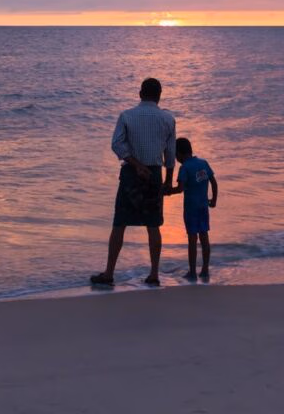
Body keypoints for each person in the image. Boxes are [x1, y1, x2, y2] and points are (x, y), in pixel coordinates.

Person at [90, 77, 176, 287]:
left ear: (140, 94)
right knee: (153, 225)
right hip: (154, 173)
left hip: (131, 173)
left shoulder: (127, 115)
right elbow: (170, 155)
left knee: (120, 223)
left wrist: (136, 165)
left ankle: (109, 273)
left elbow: (117, 144)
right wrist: (167, 181)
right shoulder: (167, 119)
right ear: (159, 96)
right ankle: (154, 274)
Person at [167, 137, 218, 280]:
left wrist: (166, 191)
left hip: (190, 209)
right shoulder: (203, 163)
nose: (176, 158)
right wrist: (213, 200)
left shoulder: (185, 168)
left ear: (180, 154)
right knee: (204, 237)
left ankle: (192, 272)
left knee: (192, 239)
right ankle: (205, 270)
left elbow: (180, 189)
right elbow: (214, 183)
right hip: (203, 207)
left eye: (176, 155)